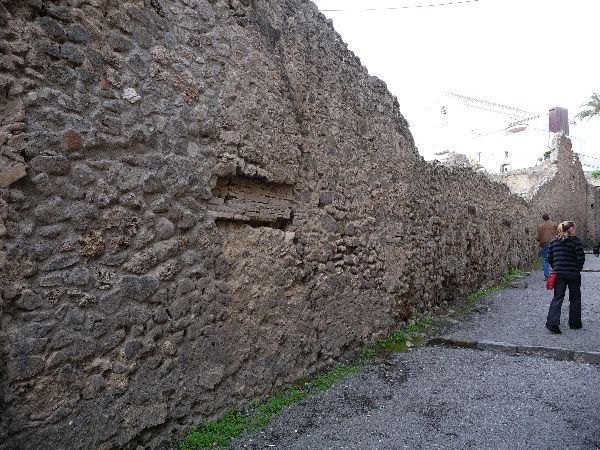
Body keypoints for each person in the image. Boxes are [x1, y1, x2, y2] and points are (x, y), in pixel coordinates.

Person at [545, 221, 585, 334]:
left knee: (557, 297)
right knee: (575, 298)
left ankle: (552, 323)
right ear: (571, 229)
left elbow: (550, 258)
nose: (575, 230)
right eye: (574, 228)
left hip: (558, 274)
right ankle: (575, 323)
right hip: (573, 274)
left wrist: (557, 267)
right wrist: (577, 268)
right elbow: (581, 258)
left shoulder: (553, 242)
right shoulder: (576, 241)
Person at [535, 213, 558, 279]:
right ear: (549, 217)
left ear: (543, 219)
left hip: (545, 245)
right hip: (554, 244)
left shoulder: (541, 227)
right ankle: (557, 274)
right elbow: (558, 233)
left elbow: (538, 237)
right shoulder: (554, 224)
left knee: (545, 260)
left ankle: (547, 276)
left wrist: (539, 239)